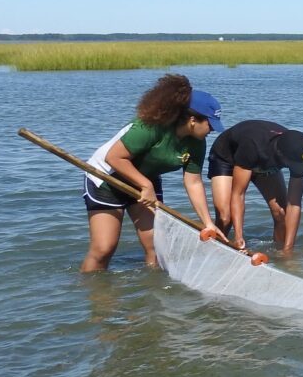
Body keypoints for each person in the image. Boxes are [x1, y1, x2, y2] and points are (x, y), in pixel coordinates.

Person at [81, 74, 224, 272]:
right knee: (104, 249)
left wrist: (207, 223)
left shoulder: (197, 143)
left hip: (144, 180)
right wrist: (146, 185)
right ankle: (90, 288)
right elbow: (114, 157)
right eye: (210, 124)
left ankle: (153, 288)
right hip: (107, 179)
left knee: (156, 248)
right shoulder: (151, 127)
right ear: (193, 120)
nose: (212, 130)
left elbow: (193, 182)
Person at [209, 121, 303, 252]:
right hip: (227, 158)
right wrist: (238, 237)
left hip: (262, 161)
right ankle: (215, 249)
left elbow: (294, 204)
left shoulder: (297, 153)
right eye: (293, 164)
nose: (296, 168)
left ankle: (279, 254)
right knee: (225, 217)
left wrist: (288, 250)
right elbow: (238, 194)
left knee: (281, 213)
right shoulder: (253, 145)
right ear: (280, 154)